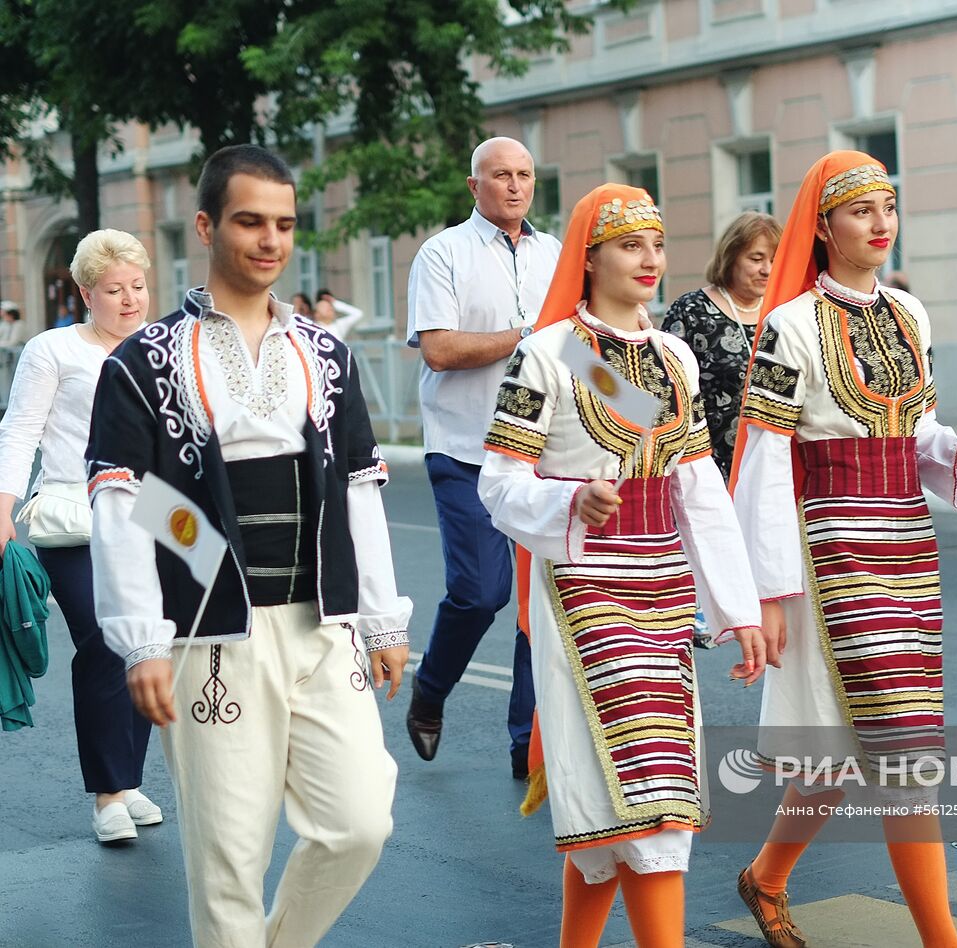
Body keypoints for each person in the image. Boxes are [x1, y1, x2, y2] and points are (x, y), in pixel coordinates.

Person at [86, 144, 412, 944]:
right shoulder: (145, 362)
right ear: (205, 225)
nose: (270, 240)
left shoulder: (327, 355)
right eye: (249, 222)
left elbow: (359, 489)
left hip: (322, 625)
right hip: (215, 636)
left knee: (360, 821)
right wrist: (145, 639)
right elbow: (127, 499)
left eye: (285, 225)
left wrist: (380, 617)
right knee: (230, 857)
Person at [729, 151, 957, 947]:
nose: (880, 222)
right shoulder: (789, 326)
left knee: (843, 754)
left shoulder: (909, 315)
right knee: (901, 753)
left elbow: (911, 427)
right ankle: (943, 940)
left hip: (906, 543)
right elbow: (764, 462)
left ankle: (766, 878)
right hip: (832, 552)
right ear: (822, 228)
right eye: (861, 211)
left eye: (887, 206)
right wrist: (770, 593)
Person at [478, 182, 767, 948]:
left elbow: (699, 487)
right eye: (629, 245)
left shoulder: (671, 357)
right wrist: (573, 503)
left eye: (657, 245)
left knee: (631, 798)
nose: (648, 260)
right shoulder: (547, 353)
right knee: (647, 794)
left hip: (664, 588)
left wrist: (739, 610)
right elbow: (499, 482)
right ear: (590, 256)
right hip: (582, 588)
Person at [405, 136, 561, 774]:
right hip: (464, 447)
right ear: (475, 186)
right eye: (501, 175)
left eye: (525, 174)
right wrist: (524, 337)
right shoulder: (442, 254)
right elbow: (439, 349)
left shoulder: (555, 253)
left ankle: (526, 742)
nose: (515, 186)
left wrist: (633, 411)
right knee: (480, 592)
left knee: (535, 602)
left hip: (542, 453)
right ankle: (430, 691)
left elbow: (576, 345)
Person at [0, 230, 161, 844]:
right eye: (115, 290)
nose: (130, 300)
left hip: (153, 513)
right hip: (75, 513)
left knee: (149, 641)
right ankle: (106, 797)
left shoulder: (162, 347)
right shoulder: (53, 350)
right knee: (101, 639)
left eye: (138, 287)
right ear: (85, 293)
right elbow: (19, 432)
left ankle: (131, 780)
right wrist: (3, 510)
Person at [660, 212, 780, 478]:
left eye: (774, 259)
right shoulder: (692, 310)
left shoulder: (782, 314)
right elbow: (663, 395)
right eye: (756, 258)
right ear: (731, 256)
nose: (767, 269)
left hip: (770, 469)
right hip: (708, 470)